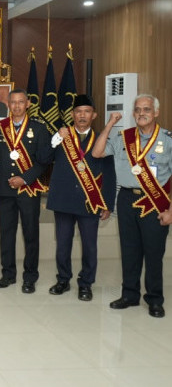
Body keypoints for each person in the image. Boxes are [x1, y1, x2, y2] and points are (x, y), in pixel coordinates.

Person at [92, 94, 172, 318]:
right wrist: (109, 125)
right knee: (129, 250)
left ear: (156, 112)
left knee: (154, 253)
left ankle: (155, 299)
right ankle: (129, 295)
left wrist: (171, 211)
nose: (141, 113)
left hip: (155, 202)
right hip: (127, 199)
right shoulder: (123, 137)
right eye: (137, 110)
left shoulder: (167, 140)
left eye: (146, 109)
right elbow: (97, 152)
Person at [46, 94, 116, 301]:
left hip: (90, 201)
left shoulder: (102, 140)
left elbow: (110, 175)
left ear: (93, 115)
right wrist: (57, 138)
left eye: (86, 112)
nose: (82, 115)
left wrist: (108, 204)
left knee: (89, 246)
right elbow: (44, 157)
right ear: (72, 114)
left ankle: (86, 283)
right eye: (78, 112)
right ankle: (63, 280)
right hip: (64, 199)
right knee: (63, 244)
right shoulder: (61, 137)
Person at [0, 88, 50, 293]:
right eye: (13, 102)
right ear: (8, 105)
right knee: (7, 234)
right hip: (5, 190)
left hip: (28, 190)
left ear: (28, 104)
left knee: (30, 234)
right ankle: (8, 274)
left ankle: (30, 276)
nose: (16, 106)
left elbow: (44, 161)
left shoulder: (39, 129)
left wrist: (25, 178)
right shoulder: (0, 127)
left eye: (20, 102)